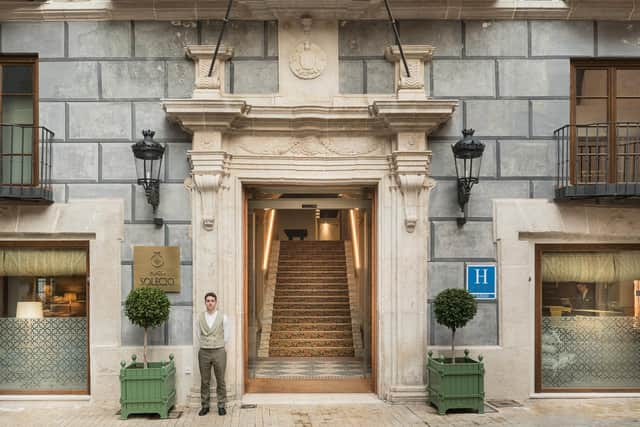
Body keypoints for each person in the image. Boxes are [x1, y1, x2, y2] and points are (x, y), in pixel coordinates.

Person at [197, 292, 230, 416]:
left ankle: (221, 405)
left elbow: (226, 334)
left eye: (212, 301)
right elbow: (197, 333)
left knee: (220, 379)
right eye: (208, 301)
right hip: (204, 351)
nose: (210, 303)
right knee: (204, 380)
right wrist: (205, 343)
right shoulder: (200, 317)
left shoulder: (223, 317)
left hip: (219, 350)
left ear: (216, 302)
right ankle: (205, 406)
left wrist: (222, 345)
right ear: (205, 302)